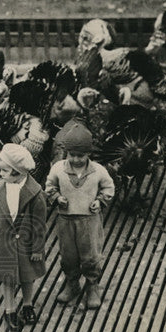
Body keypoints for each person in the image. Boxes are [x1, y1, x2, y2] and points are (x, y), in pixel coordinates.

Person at [45, 121, 115, 309]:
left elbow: (109, 187)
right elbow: (50, 186)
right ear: (66, 152)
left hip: (89, 220)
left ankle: (92, 285)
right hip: (66, 220)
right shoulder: (58, 168)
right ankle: (72, 283)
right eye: (72, 155)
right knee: (68, 255)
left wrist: (100, 200)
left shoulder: (98, 171)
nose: (75, 159)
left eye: (80, 155)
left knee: (91, 254)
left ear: (88, 154)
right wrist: (57, 197)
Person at [0, 143, 48, 332]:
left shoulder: (35, 194)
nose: (0, 174)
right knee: (7, 278)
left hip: (26, 245)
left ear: (18, 172)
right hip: (3, 243)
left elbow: (39, 225)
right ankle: (9, 310)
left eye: (4, 171)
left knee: (28, 277)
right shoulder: (0, 188)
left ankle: (27, 305)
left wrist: (37, 249)